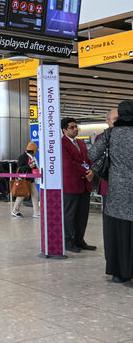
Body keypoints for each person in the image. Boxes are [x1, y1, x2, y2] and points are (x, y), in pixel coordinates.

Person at [88, 101, 133, 283]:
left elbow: (92, 156)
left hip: (117, 189)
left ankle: (119, 273)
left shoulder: (111, 133)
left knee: (119, 231)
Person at [61, 117, 96, 253]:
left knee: (82, 215)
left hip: (84, 184)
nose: (75, 129)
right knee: (70, 215)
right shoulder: (61, 144)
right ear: (64, 130)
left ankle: (79, 240)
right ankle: (68, 242)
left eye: (76, 127)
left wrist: (92, 171)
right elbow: (68, 163)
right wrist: (86, 171)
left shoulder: (81, 144)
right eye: (72, 127)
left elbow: (89, 159)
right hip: (71, 185)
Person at [93, 109, 118, 256]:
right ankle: (112, 255)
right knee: (110, 224)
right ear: (107, 121)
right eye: (115, 119)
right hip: (109, 186)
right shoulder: (102, 139)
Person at [11, 141, 40, 218]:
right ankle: (15, 210)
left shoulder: (31, 157)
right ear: (33, 151)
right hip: (24, 180)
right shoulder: (23, 157)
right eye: (36, 151)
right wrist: (29, 166)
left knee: (35, 195)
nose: (36, 152)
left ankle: (36, 212)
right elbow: (19, 169)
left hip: (30, 179)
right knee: (22, 195)